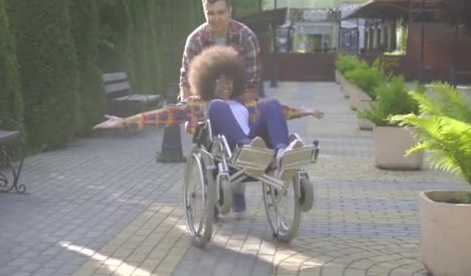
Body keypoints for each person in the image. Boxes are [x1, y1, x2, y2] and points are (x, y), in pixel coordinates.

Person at [94, 46, 324, 219]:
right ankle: (249, 150)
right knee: (217, 105)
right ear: (206, 81)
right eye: (219, 80)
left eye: (229, 80)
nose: (226, 85)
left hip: (260, 146)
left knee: (271, 102)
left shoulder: (245, 102)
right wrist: (125, 122)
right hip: (234, 152)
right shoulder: (203, 105)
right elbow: (164, 115)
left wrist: (303, 111)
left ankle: (283, 155)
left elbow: (278, 112)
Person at [179, 0, 261, 103]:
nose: (216, 18)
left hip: (239, 104)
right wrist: (189, 110)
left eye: (221, 12)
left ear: (230, 11)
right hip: (203, 104)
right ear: (204, 13)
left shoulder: (247, 38)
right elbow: (185, 84)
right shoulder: (195, 40)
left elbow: (252, 87)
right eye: (211, 13)